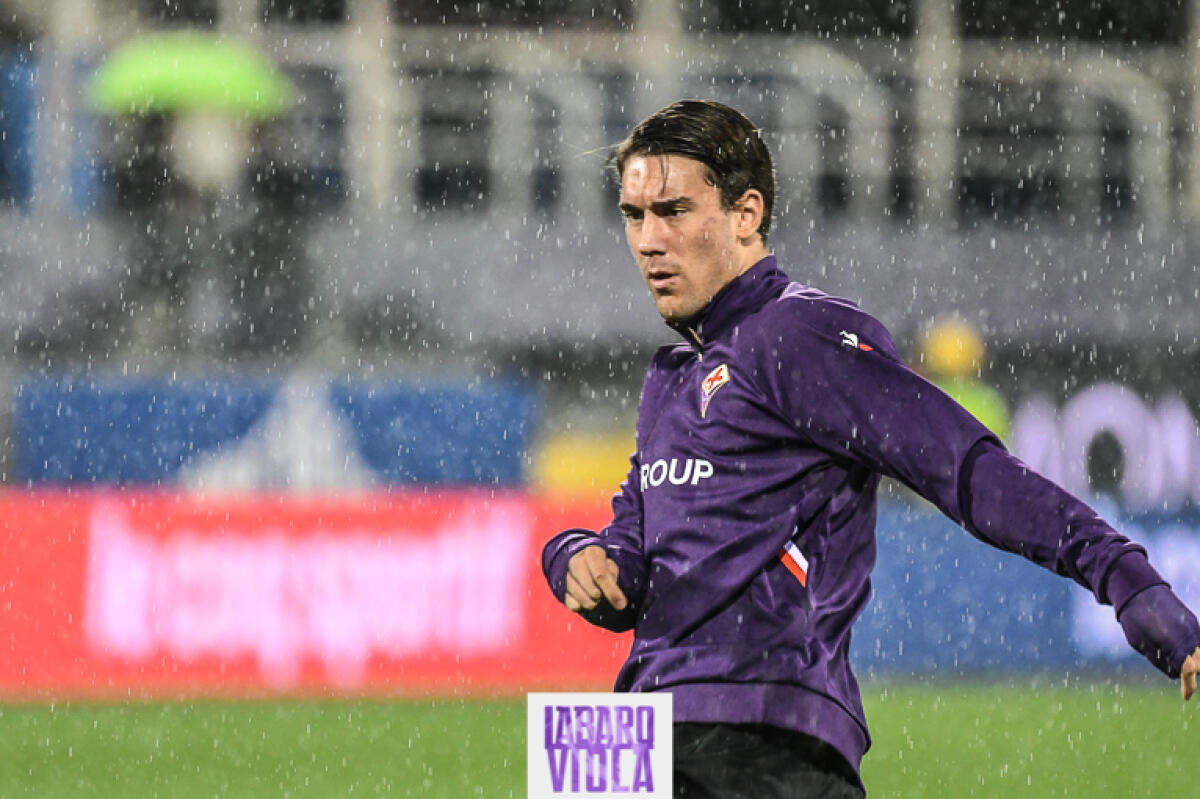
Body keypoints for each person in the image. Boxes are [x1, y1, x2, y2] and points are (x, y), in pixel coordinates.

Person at [540, 100, 1200, 799]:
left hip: (755, 725)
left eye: (672, 210)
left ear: (746, 213)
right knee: (556, 763)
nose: (648, 239)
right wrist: (577, 558)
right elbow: (630, 556)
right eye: (633, 215)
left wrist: (1129, 580)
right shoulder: (670, 377)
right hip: (628, 729)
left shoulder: (801, 333)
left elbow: (969, 468)